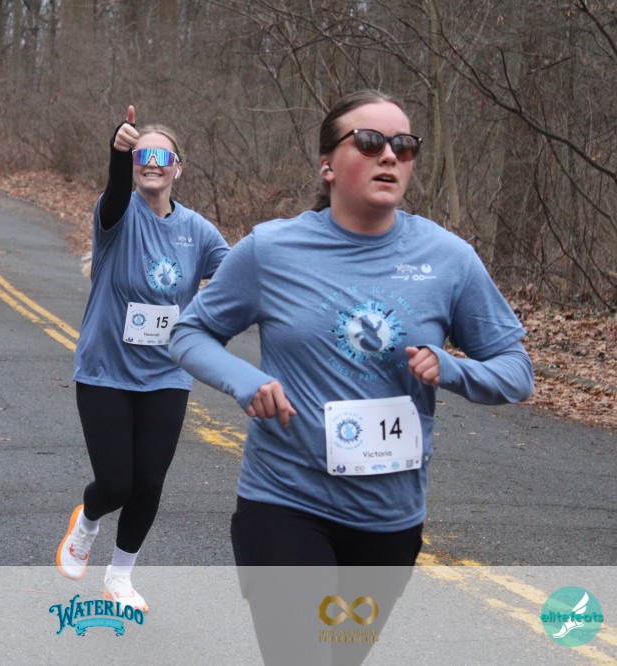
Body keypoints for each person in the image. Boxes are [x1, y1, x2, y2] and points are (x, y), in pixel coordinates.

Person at [168, 89, 534, 664]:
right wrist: (246, 382)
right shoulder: (272, 250)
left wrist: (452, 368)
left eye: (403, 145)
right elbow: (189, 333)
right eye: (368, 141)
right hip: (285, 500)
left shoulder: (449, 258)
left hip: (390, 517)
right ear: (328, 166)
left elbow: (516, 372)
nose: (389, 155)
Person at [56, 105, 230, 611]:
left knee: (149, 482)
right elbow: (115, 189)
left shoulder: (198, 231)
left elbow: (236, 276)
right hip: (105, 370)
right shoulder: (116, 215)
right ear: (134, 165)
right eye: (142, 157)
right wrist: (118, 149)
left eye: (162, 157)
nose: (152, 164)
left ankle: (120, 576)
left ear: (178, 168)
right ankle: (87, 521)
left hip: (166, 375)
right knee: (116, 483)